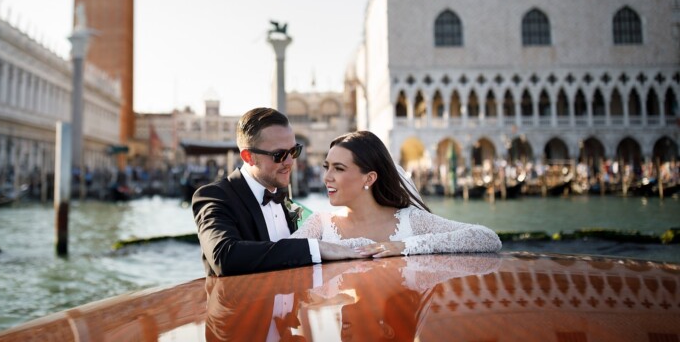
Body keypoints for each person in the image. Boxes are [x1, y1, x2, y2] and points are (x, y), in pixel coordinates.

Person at [192, 107, 362, 277]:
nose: (290, 162)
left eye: (294, 151)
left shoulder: (288, 203)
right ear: (248, 157)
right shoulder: (214, 196)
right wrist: (314, 248)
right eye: (279, 155)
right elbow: (225, 257)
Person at [291, 131, 502, 256]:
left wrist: (404, 246)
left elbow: (487, 237)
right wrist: (339, 248)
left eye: (338, 168)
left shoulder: (411, 221)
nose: (326, 177)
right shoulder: (321, 224)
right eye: (326, 167)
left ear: (369, 178)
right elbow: (280, 253)